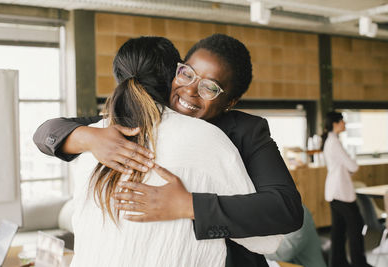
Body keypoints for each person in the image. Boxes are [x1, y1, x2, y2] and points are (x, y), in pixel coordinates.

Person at [34, 34, 303, 267]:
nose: (189, 91)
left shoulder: (245, 132)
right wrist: (88, 137)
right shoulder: (134, 121)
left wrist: (190, 205)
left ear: (230, 101)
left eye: (210, 87)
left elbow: (285, 209)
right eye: (187, 74)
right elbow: (46, 132)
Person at [321, 111, 372, 267]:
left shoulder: (332, 141)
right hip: (341, 193)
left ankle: (338, 263)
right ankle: (359, 263)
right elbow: (352, 166)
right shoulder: (334, 143)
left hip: (335, 192)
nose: (345, 124)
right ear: (336, 124)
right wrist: (351, 165)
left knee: (339, 230)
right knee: (356, 226)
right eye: (342, 121)